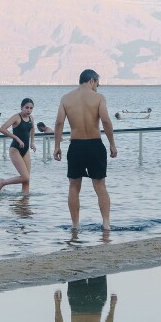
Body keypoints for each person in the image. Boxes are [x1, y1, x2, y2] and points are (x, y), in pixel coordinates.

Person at [53, 69, 118, 230]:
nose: (98, 87)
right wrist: (112, 144)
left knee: (74, 186)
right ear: (91, 80)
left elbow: (59, 123)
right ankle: (106, 224)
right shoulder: (98, 98)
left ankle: (75, 225)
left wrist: (57, 146)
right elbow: (106, 121)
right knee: (100, 186)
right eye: (97, 83)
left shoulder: (66, 98)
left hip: (76, 146)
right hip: (95, 144)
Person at [0, 98, 36, 194]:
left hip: (25, 150)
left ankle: (24, 204)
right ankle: (2, 182)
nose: (29, 110)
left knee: (27, 180)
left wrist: (32, 142)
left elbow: (32, 130)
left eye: (31, 108)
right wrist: (16, 138)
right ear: (22, 107)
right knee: (25, 177)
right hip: (15, 150)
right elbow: (2, 129)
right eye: (26, 107)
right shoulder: (16, 117)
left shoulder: (31, 118)